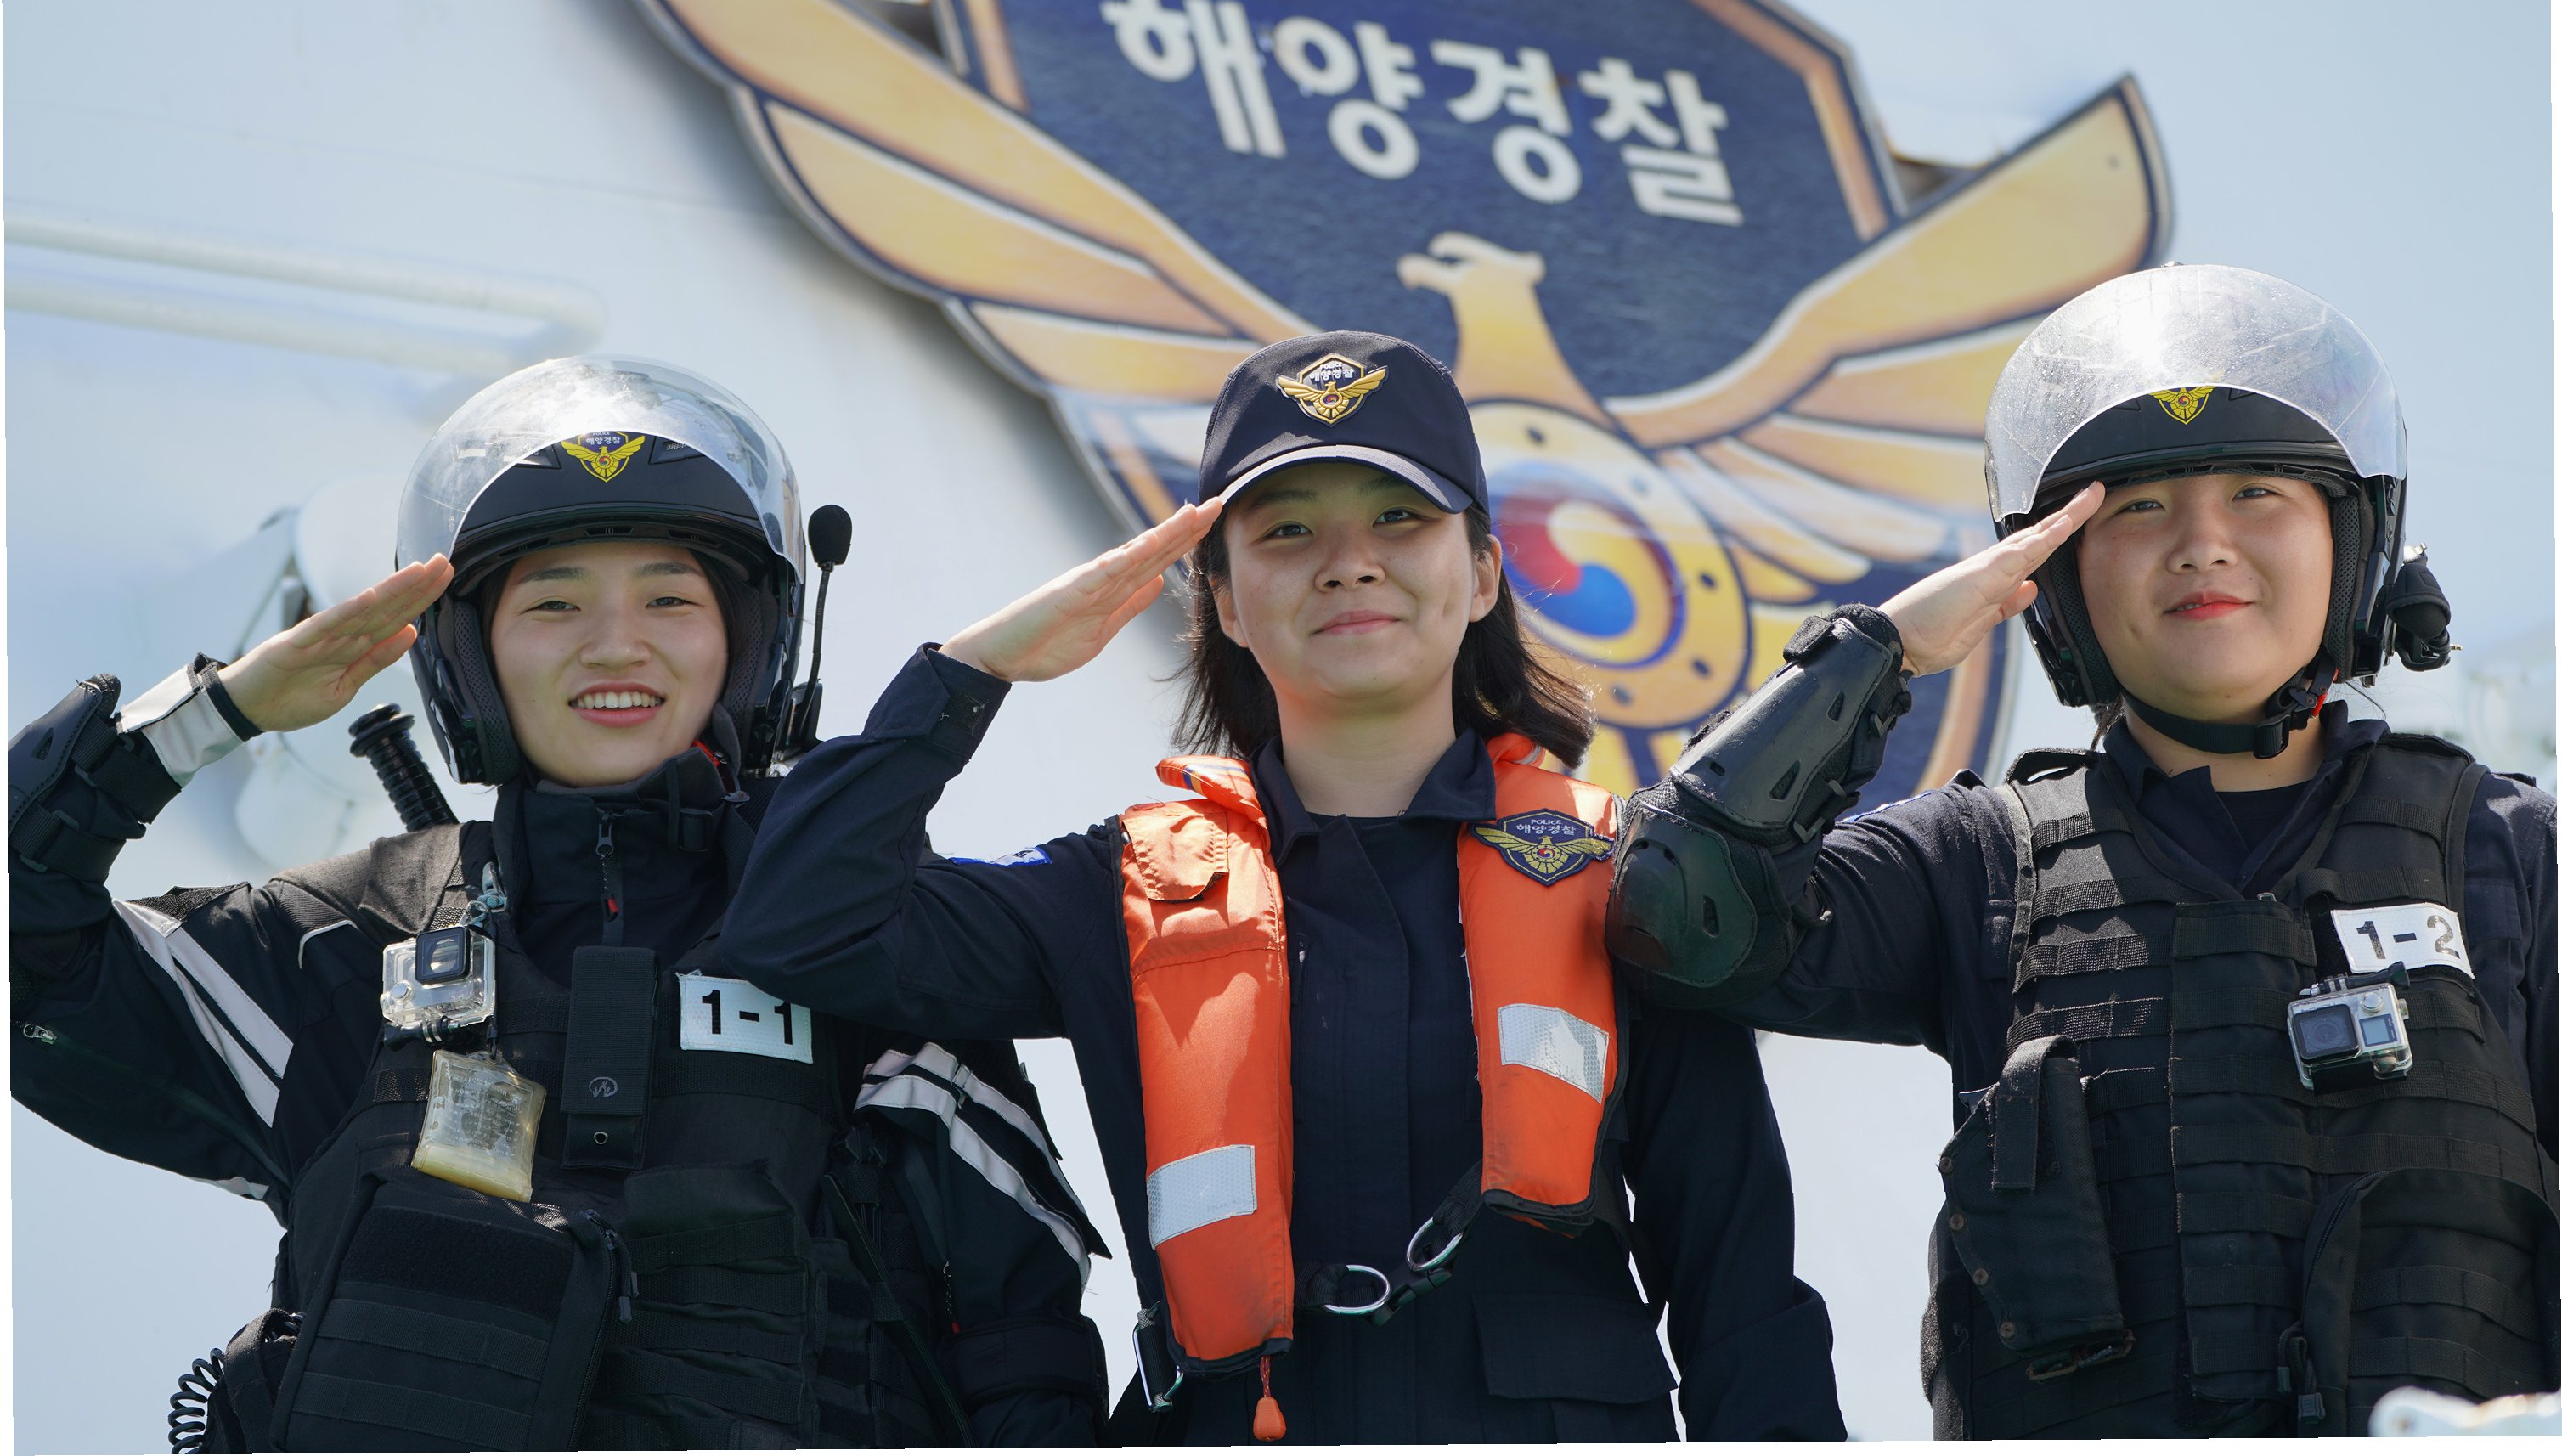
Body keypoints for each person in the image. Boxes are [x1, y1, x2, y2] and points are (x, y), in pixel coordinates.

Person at [724, 330, 1847, 1443]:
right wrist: (974, 670)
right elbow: (803, 922)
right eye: (1289, 530)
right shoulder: (1118, 892)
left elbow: (1742, 1294)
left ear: (1483, 572)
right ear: (1219, 597)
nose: (1348, 562)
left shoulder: (1628, 878)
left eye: (1399, 517)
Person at [9, 354, 1109, 1451]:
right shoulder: (341, 948)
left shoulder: (880, 955)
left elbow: (1025, 1357)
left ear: (748, 641)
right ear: (468, 656)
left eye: (669, 598)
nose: (615, 642)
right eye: (554, 601)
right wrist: (207, 718)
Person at [1605, 264, 2558, 1437]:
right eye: (2139, 508)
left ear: (2354, 539)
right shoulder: (1974, 865)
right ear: (2053, 577)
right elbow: (1678, 911)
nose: (2202, 545)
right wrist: (1881, 651)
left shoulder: (2514, 855)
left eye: (2257, 492)